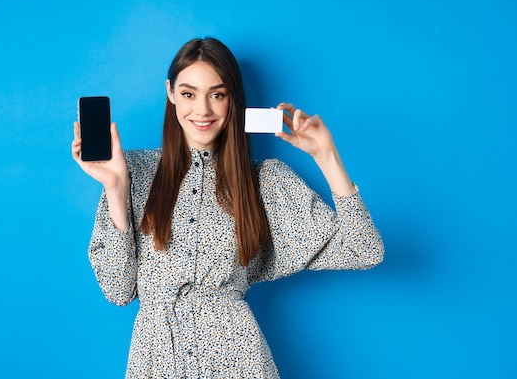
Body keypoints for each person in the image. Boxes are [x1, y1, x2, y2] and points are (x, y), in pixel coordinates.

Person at [71, 37, 384, 379]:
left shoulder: (264, 181)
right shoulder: (131, 172)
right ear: (171, 92)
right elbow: (118, 291)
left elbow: (365, 249)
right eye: (189, 93)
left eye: (217, 94)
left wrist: (327, 157)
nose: (202, 110)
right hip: (155, 363)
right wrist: (116, 188)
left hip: (238, 362)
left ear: (232, 99)